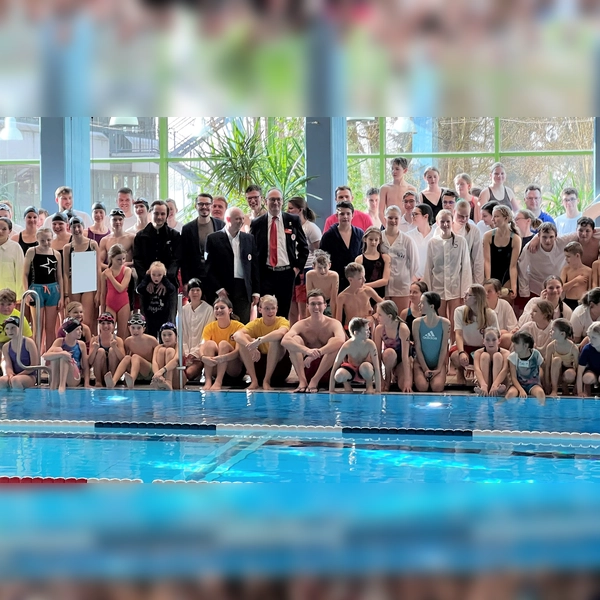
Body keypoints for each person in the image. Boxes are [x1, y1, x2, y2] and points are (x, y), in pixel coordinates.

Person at [250, 188, 309, 318]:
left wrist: (297, 268)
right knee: (265, 313)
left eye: (278, 200)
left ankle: (280, 338)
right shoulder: (257, 223)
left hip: (286, 274)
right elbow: (252, 250)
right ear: (265, 201)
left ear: (282, 202)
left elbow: (304, 247)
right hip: (265, 274)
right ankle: (264, 338)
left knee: (283, 314)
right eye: (272, 199)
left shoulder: (292, 220)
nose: (275, 202)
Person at [281, 289, 346, 393]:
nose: (316, 307)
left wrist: (318, 353)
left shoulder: (334, 323)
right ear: (307, 306)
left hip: (329, 370)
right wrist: (307, 351)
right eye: (313, 304)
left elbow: (340, 341)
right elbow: (285, 340)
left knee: (334, 342)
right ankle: (302, 382)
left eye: (319, 303)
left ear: (325, 305)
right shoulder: (301, 324)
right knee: (295, 340)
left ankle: (315, 380)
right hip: (306, 368)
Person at [423, 209, 472, 340]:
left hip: (455, 288)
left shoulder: (461, 241)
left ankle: (454, 349)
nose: (445, 224)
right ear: (437, 223)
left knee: (455, 322)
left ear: (452, 222)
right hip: (437, 288)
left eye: (448, 221)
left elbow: (466, 267)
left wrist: (465, 292)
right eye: (442, 221)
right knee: (440, 321)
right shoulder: (433, 243)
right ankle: (442, 349)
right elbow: (428, 267)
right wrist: (427, 292)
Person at [205, 207, 259, 324]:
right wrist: (219, 289)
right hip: (223, 288)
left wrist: (255, 291)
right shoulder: (213, 239)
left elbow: (254, 267)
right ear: (228, 219)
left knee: (242, 323)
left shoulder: (249, 239)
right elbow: (209, 268)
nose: (241, 221)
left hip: (243, 288)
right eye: (237, 219)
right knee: (222, 322)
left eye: (242, 218)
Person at [233, 295, 291, 390]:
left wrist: (259, 340)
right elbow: (236, 335)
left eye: (273, 308)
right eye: (267, 308)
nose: (270, 311)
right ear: (260, 309)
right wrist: (250, 346)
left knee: (275, 339)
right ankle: (254, 381)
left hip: (279, 367)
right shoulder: (256, 323)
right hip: (259, 365)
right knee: (243, 340)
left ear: (277, 309)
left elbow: (281, 333)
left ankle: (266, 381)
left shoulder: (282, 321)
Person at [23, 227, 64, 351]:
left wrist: (61, 296)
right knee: (37, 327)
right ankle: (36, 359)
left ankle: (49, 358)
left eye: (49, 240)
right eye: (42, 240)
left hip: (53, 290)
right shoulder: (31, 252)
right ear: (37, 240)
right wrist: (27, 293)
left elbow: (60, 277)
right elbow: (24, 274)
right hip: (36, 290)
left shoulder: (56, 254)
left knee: (50, 328)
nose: (46, 243)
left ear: (52, 239)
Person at [133, 200, 181, 304]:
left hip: (168, 285)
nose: (159, 217)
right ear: (150, 213)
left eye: (162, 214)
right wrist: (149, 279)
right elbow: (137, 260)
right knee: (146, 320)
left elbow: (176, 261)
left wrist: (163, 280)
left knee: (169, 320)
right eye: (156, 213)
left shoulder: (175, 236)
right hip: (146, 286)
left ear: (167, 215)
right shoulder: (140, 236)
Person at [450, 284, 499, 384]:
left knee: (487, 357)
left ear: (477, 298)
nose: (464, 297)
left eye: (468, 295)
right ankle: (460, 371)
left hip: (482, 348)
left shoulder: (490, 314)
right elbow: (458, 334)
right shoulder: (459, 311)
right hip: (466, 346)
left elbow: (496, 336)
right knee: (456, 356)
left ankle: (483, 375)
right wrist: (461, 352)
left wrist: (487, 352)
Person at [287, 196, 322, 323]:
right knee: (292, 307)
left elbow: (319, 251)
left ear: (300, 210)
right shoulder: (289, 226)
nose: (288, 211)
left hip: (306, 269)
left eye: (291, 208)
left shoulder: (310, 228)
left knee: (303, 307)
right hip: (292, 269)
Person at [198, 298, 245, 391]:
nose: (219, 310)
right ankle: (208, 381)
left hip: (233, 368)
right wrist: (203, 357)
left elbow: (237, 352)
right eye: (216, 308)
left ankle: (218, 381)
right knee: (209, 344)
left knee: (223, 344)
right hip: (216, 366)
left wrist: (223, 357)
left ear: (230, 310)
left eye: (222, 308)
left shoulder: (239, 326)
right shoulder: (209, 327)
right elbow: (202, 347)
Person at [62, 216, 100, 331]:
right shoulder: (67, 248)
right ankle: (77, 344)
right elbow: (65, 272)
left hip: (88, 285)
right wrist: (66, 294)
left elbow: (97, 269)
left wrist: (99, 291)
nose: (77, 229)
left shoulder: (92, 244)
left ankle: (88, 344)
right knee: (74, 320)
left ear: (83, 228)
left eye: (79, 226)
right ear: (70, 228)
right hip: (74, 284)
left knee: (87, 320)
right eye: (74, 227)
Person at [180, 193, 226, 286]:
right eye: (201, 204)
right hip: (195, 276)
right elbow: (184, 257)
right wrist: (185, 282)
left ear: (211, 205)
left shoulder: (221, 225)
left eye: (207, 204)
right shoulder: (187, 228)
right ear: (195, 206)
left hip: (216, 276)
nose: (204, 207)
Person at [380, 205, 419, 312]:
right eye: (390, 218)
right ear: (385, 218)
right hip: (382, 287)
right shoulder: (378, 238)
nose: (393, 221)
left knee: (401, 317)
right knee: (383, 319)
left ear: (400, 219)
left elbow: (414, 264)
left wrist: (405, 277)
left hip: (401, 287)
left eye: (396, 218)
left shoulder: (407, 240)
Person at [104, 314, 158, 389]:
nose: (135, 331)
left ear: (144, 328)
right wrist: (114, 347)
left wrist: (159, 375)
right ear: (129, 328)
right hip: (135, 370)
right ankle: (113, 381)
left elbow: (158, 359)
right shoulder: (128, 341)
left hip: (148, 372)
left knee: (135, 357)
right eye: (133, 328)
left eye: (139, 328)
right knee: (127, 357)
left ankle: (131, 380)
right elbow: (123, 360)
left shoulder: (152, 340)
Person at [319, 201, 364, 292]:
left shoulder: (360, 234)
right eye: (342, 214)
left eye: (348, 213)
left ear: (353, 215)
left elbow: (364, 255)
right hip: (336, 281)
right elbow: (322, 260)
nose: (345, 217)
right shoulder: (328, 236)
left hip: (356, 281)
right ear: (337, 215)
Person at [330, 317, 382, 394]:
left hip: (365, 371)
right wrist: (331, 390)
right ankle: (347, 386)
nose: (369, 332)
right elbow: (334, 368)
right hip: (351, 372)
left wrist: (378, 390)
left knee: (366, 367)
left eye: (368, 329)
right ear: (356, 333)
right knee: (339, 375)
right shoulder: (346, 346)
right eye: (366, 330)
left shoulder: (370, 344)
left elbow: (377, 368)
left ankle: (369, 385)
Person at [412, 291, 450, 393]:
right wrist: (425, 369)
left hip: (438, 363)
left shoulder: (445, 323)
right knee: (422, 387)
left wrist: (438, 368)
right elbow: (418, 347)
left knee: (437, 387)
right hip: (420, 364)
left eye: (422, 303)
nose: (419, 305)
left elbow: (443, 348)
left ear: (432, 306)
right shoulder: (416, 323)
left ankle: (437, 373)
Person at [527, 216, 600, 269]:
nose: (583, 234)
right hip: (577, 275)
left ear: (593, 231)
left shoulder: (597, 238)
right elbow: (554, 235)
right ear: (576, 230)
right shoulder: (571, 238)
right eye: (580, 230)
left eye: (587, 231)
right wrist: (537, 237)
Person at [518, 223, 567, 299]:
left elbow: (578, 234)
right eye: (544, 237)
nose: (548, 241)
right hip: (536, 287)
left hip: (558, 287)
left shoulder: (563, 241)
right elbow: (522, 269)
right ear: (538, 236)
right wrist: (524, 292)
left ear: (556, 236)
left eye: (551, 237)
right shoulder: (529, 248)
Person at [483, 205, 522, 298]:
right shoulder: (488, 236)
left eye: (496, 216)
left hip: (506, 277)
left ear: (506, 218)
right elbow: (487, 261)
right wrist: (488, 282)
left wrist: (514, 287)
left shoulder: (516, 239)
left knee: (505, 306)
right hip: (492, 275)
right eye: (493, 216)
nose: (492, 219)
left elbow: (513, 266)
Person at [43, 317, 90, 392]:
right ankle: (55, 384)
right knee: (58, 350)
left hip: (73, 377)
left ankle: (61, 386)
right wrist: (62, 353)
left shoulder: (81, 344)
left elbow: (86, 367)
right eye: (77, 330)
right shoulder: (59, 342)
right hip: (58, 376)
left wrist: (86, 383)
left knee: (64, 357)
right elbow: (45, 356)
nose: (80, 332)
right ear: (69, 332)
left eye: (80, 329)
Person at [374, 300, 411, 393]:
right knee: (389, 353)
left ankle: (396, 373)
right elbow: (377, 355)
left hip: (402, 360)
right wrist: (380, 379)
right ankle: (388, 375)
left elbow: (405, 357)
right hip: (389, 359)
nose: (376, 317)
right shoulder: (379, 329)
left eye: (379, 315)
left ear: (389, 316)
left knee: (404, 386)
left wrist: (407, 380)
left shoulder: (403, 329)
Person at [335, 263, 383, 330]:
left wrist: (374, 316)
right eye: (360, 278)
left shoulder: (367, 290)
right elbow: (338, 322)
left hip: (367, 327)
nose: (364, 280)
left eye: (364, 277)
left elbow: (386, 306)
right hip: (351, 329)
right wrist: (346, 338)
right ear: (350, 280)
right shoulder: (342, 297)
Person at [136, 261, 177, 339]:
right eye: (153, 275)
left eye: (159, 275)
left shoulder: (166, 285)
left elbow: (172, 290)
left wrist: (164, 279)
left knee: (162, 338)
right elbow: (139, 289)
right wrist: (147, 278)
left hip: (163, 317)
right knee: (151, 338)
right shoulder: (147, 284)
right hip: (150, 318)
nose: (156, 278)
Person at [100, 243, 132, 340]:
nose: (122, 261)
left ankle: (123, 354)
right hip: (110, 304)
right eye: (119, 259)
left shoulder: (127, 270)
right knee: (108, 332)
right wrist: (102, 311)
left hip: (123, 303)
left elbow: (121, 288)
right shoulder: (104, 274)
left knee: (122, 334)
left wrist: (111, 276)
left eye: (123, 259)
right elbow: (103, 293)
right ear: (111, 258)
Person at [180, 278, 214, 367]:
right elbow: (181, 333)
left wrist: (195, 353)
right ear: (188, 292)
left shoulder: (209, 310)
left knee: (190, 374)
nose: (195, 293)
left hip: (201, 354)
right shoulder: (182, 310)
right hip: (184, 353)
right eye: (192, 290)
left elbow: (207, 335)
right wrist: (186, 352)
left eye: (198, 290)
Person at [506, 331, 545, 402]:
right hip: (517, 385)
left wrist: (541, 381)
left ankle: (540, 412)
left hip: (533, 384)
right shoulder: (512, 357)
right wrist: (521, 390)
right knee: (510, 394)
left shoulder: (536, 354)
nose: (513, 345)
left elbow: (542, 367)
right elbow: (513, 377)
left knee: (540, 393)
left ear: (526, 345)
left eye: (516, 343)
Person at [452, 199, 485, 285]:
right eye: (460, 216)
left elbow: (478, 259)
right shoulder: (444, 228)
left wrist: (478, 284)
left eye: (466, 216)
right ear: (454, 212)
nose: (463, 219)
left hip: (466, 276)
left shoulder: (474, 231)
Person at [0, 316, 38, 389]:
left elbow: (34, 365)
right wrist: (10, 374)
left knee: (16, 381)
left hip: (29, 376)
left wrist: (18, 375)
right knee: (1, 380)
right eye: (7, 328)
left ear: (20, 328)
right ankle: (6, 400)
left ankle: (19, 400)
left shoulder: (29, 343)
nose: (10, 331)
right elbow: (8, 366)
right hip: (15, 376)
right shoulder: (6, 347)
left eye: (13, 328)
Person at [89, 312, 125, 388]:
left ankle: (111, 380)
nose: (105, 326)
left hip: (113, 372)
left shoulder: (118, 340)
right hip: (101, 371)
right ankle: (98, 381)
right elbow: (90, 362)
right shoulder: (94, 339)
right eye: (103, 323)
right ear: (99, 325)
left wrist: (115, 348)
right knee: (100, 351)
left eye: (108, 323)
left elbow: (123, 360)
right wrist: (95, 349)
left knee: (112, 350)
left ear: (113, 325)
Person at [545, 318, 579, 397]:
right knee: (556, 360)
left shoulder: (573, 348)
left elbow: (578, 368)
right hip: (555, 374)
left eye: (553, 330)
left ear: (562, 334)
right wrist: (547, 383)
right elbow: (547, 366)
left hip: (568, 375)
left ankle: (564, 385)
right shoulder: (551, 346)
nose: (550, 332)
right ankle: (554, 390)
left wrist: (577, 386)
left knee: (570, 374)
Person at [472, 327, 510, 397]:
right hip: (484, 382)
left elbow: (505, 370)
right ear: (483, 341)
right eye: (487, 340)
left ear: (499, 341)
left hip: (500, 382)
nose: (491, 343)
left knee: (497, 356)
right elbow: (477, 370)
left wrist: (495, 385)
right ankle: (483, 389)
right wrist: (483, 384)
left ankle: (497, 389)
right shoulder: (478, 353)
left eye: (494, 340)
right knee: (484, 356)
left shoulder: (506, 353)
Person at [355, 226, 390, 301]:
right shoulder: (359, 259)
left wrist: (365, 285)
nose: (373, 242)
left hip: (380, 295)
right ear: (365, 239)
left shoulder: (385, 258)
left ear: (379, 240)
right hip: (364, 296)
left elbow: (385, 280)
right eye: (371, 239)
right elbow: (357, 280)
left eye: (376, 240)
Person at [379, 157, 417, 225]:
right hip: (388, 223)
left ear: (405, 170)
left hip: (406, 224)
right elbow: (380, 212)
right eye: (392, 169)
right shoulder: (385, 188)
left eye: (397, 169)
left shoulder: (411, 189)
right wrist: (387, 227)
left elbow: (415, 210)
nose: (394, 171)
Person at [483, 278, 518, 348]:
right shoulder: (479, 306)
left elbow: (513, 328)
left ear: (498, 293)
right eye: (484, 291)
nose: (486, 294)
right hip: (484, 341)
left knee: (507, 337)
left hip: (501, 342)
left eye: (489, 291)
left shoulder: (505, 305)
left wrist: (503, 333)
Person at [150, 322, 183, 390]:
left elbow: (176, 360)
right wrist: (157, 375)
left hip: (178, 379)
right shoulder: (158, 347)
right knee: (161, 350)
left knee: (170, 351)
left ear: (176, 336)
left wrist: (162, 371)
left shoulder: (179, 346)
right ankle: (160, 381)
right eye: (164, 335)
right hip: (161, 377)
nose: (167, 337)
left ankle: (169, 382)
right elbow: (154, 363)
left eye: (170, 334)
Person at [305, 250, 339, 318]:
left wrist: (334, 319)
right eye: (319, 268)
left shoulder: (334, 276)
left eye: (325, 267)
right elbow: (309, 297)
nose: (323, 271)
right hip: (316, 300)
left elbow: (333, 299)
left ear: (329, 265)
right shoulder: (309, 275)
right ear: (313, 266)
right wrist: (308, 318)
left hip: (329, 301)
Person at [406, 203, 435, 279]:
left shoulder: (436, 235)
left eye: (416, 214)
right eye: (412, 214)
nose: (413, 217)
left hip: (432, 279)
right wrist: (414, 278)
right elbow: (406, 260)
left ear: (425, 216)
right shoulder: (408, 236)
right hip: (412, 280)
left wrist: (425, 278)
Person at [0, 217, 25, 302]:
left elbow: (20, 271)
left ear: (9, 231)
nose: (0, 231)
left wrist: (19, 296)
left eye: (4, 229)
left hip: (10, 294)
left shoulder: (15, 247)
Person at [561, 241, 592, 310]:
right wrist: (575, 280)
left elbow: (590, 290)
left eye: (568, 256)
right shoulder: (566, 270)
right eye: (565, 256)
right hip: (568, 301)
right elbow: (561, 288)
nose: (566, 259)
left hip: (582, 303)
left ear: (577, 255)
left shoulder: (589, 271)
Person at [576, 322, 600, 397]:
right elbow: (580, 372)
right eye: (589, 337)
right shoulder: (587, 349)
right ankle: (587, 394)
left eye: (594, 338)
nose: (590, 340)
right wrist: (579, 392)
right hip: (592, 372)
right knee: (587, 378)